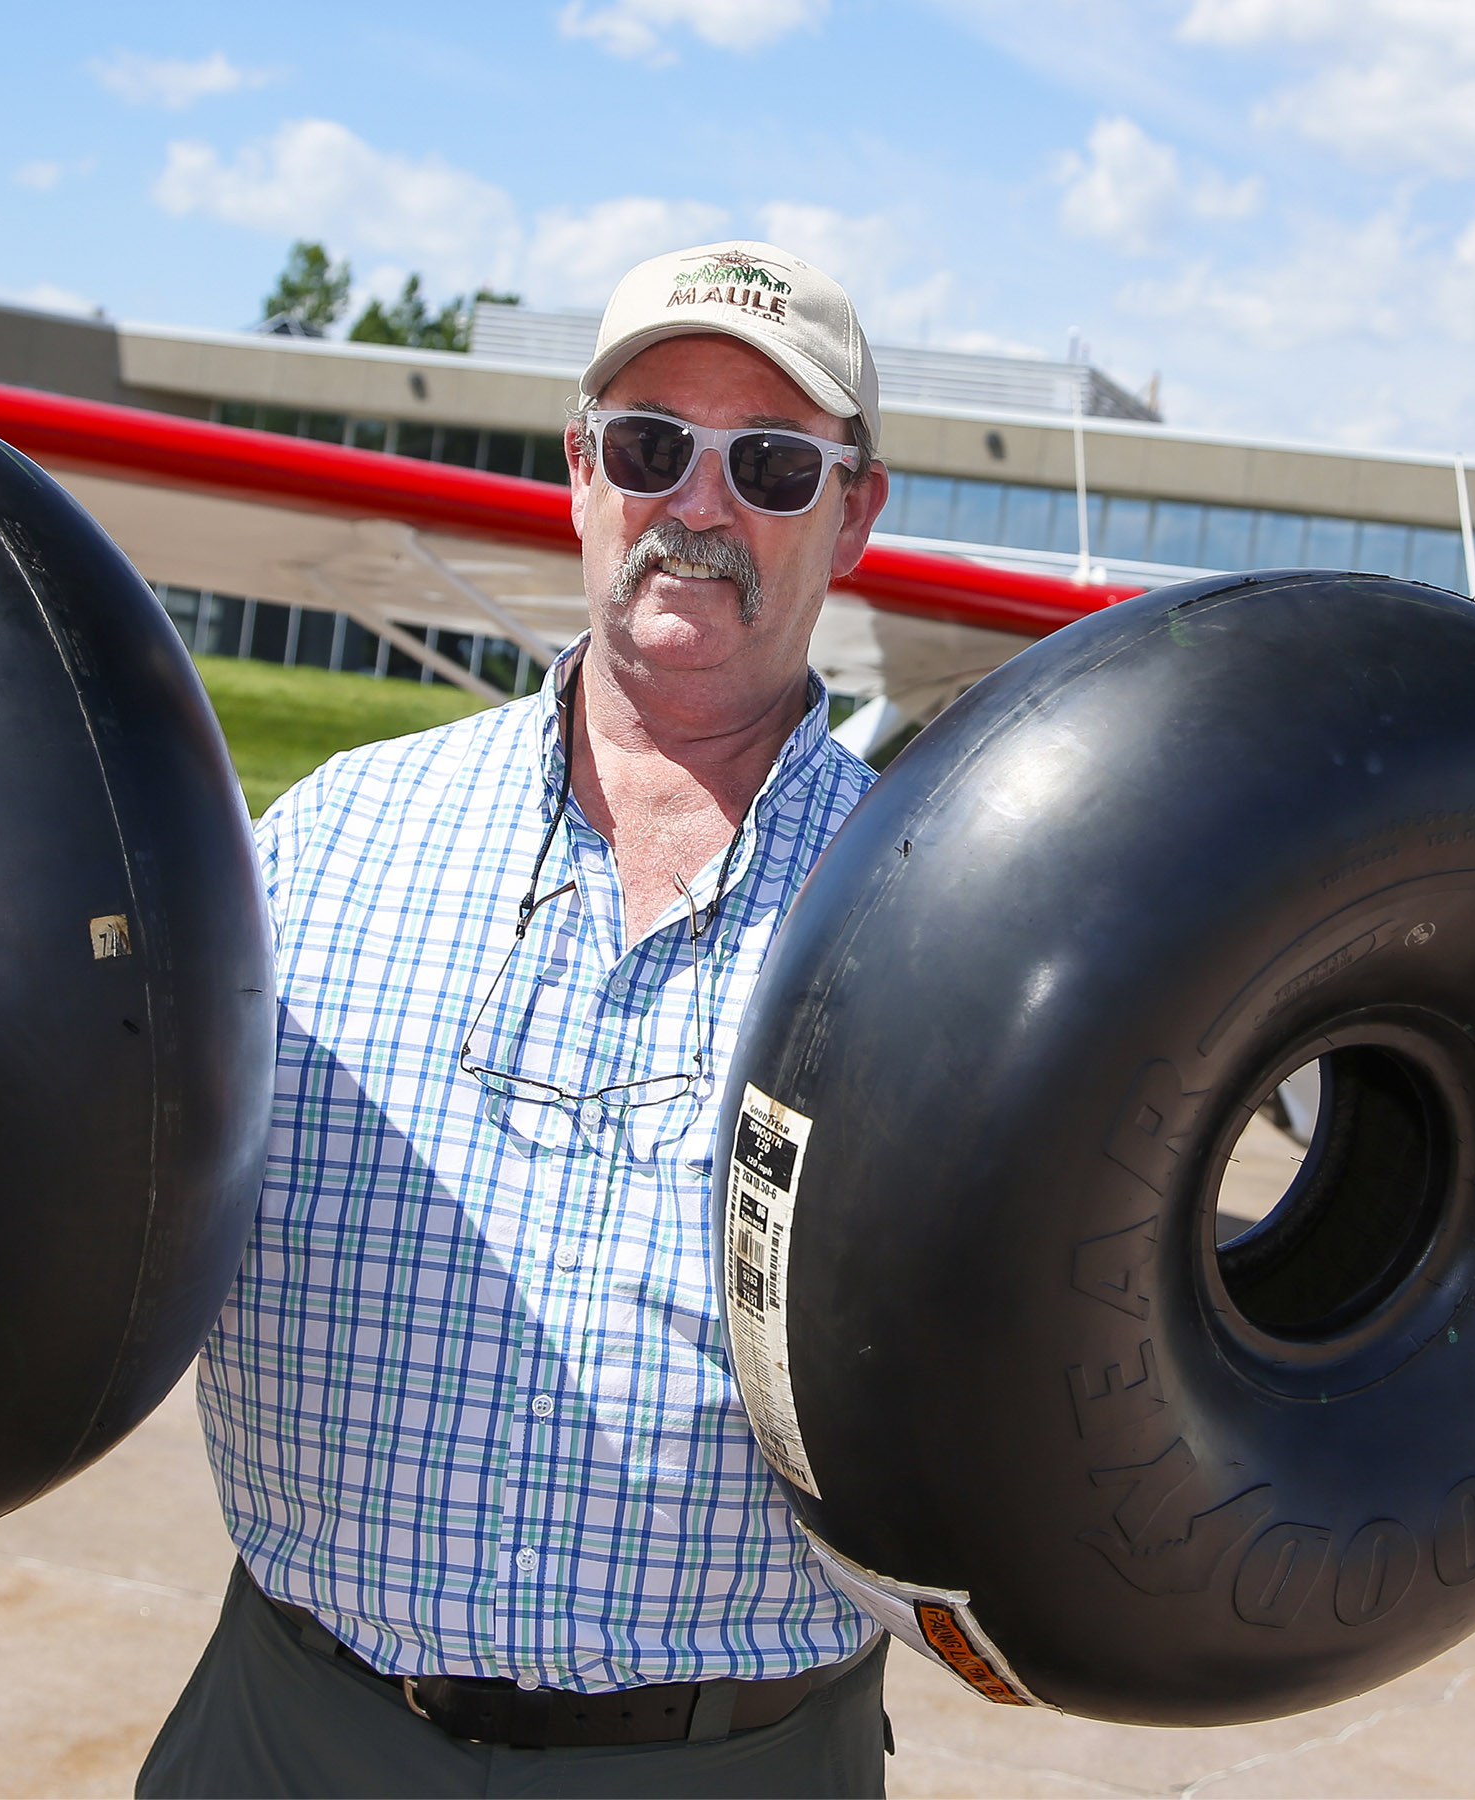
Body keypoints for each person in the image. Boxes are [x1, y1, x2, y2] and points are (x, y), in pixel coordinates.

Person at [138, 241, 899, 1798]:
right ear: (578, 471)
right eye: (647, 445)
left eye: (766, 462)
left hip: (731, 1760)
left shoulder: (947, 908)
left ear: (856, 512)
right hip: (295, 1724)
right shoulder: (330, 836)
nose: (695, 504)